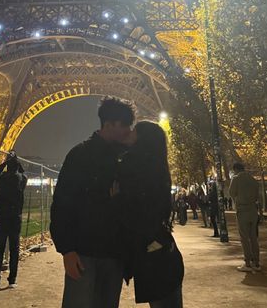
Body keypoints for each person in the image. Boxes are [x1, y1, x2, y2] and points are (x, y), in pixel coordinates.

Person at [50, 96, 136, 308]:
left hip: (114, 254)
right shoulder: (79, 155)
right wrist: (67, 250)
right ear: (108, 124)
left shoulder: (126, 160)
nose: (128, 131)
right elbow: (62, 204)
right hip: (83, 254)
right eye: (125, 125)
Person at [117, 121, 184, 308]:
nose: (128, 133)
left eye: (134, 131)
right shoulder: (157, 166)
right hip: (162, 249)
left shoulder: (133, 166)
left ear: (143, 139)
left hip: (153, 253)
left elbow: (135, 210)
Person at [0, 151, 27, 289]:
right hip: (15, 218)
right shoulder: (22, 179)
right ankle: (12, 280)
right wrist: (16, 161)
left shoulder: (2, 179)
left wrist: (5, 161)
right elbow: (23, 172)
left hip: (2, 217)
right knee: (15, 249)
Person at [229, 162, 260, 272]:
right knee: (253, 238)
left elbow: (231, 193)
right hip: (253, 210)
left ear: (236, 169)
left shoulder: (236, 179)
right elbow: (257, 195)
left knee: (244, 238)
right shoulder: (252, 179)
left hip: (242, 210)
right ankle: (256, 262)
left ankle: (247, 262)